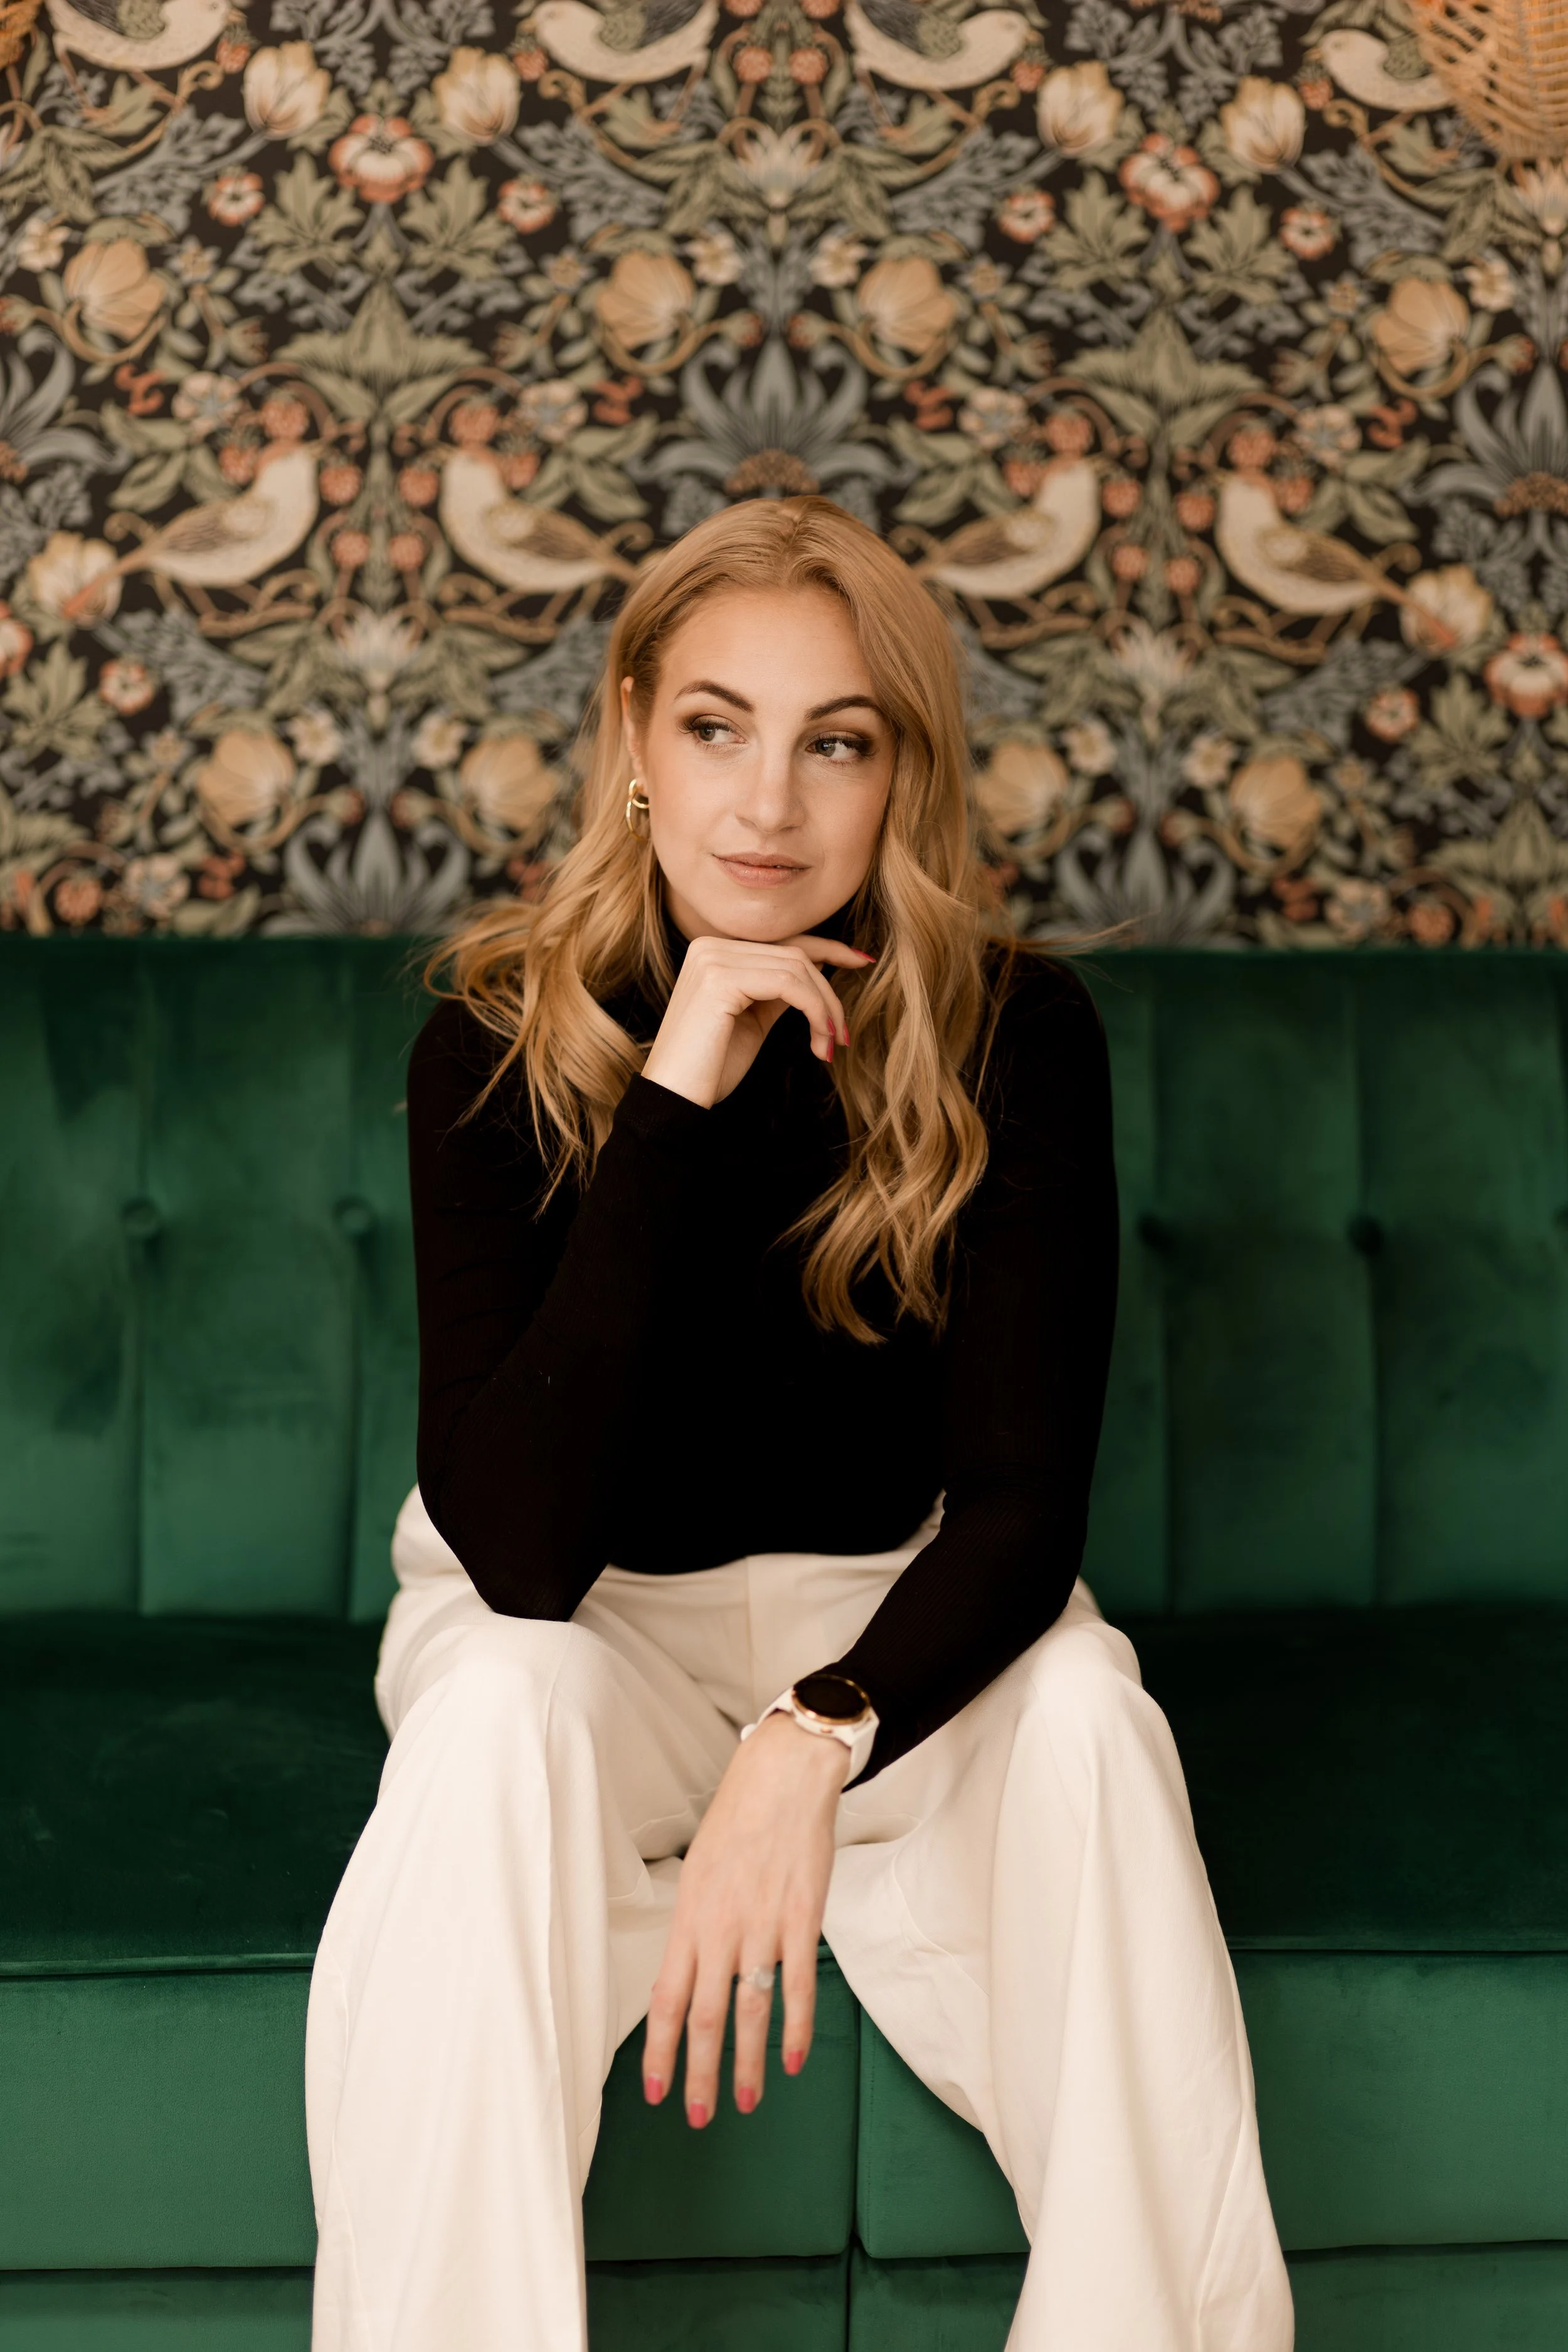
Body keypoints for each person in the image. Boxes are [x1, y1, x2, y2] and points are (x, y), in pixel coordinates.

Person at [304, 495, 1294, 2351]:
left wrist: (810, 1732)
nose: (765, 804)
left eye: (833, 741)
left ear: (899, 775)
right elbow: (517, 1552)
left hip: (892, 1625)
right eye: (713, 727)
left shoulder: (1017, 1034)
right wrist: (675, 1086)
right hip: (577, 1632)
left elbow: (1014, 1512)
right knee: (492, 1721)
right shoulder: (490, 1043)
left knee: (1088, 1709)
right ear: (630, 740)